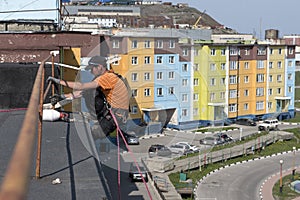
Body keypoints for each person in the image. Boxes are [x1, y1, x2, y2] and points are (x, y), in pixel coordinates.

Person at [47, 56, 129, 139]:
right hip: (113, 113)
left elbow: (81, 86)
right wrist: (62, 97)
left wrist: (58, 81)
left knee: (90, 136)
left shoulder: (108, 78)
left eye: (92, 68)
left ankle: (93, 118)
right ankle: (94, 118)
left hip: (116, 115)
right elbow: (82, 92)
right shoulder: (106, 77)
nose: (90, 71)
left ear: (100, 67)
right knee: (90, 90)